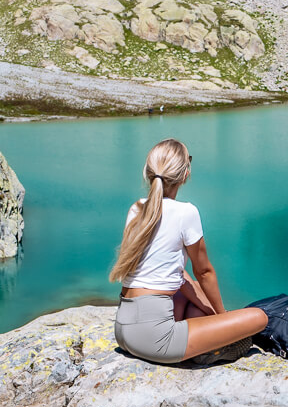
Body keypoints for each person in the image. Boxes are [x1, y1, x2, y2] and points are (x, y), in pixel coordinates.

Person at [109, 138, 267, 365]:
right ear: (185, 175)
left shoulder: (137, 208)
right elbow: (204, 272)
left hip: (124, 331)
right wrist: (224, 317)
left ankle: (203, 335)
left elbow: (182, 276)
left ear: (148, 172)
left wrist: (209, 310)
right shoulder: (186, 212)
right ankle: (207, 349)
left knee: (186, 287)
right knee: (258, 318)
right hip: (154, 340)